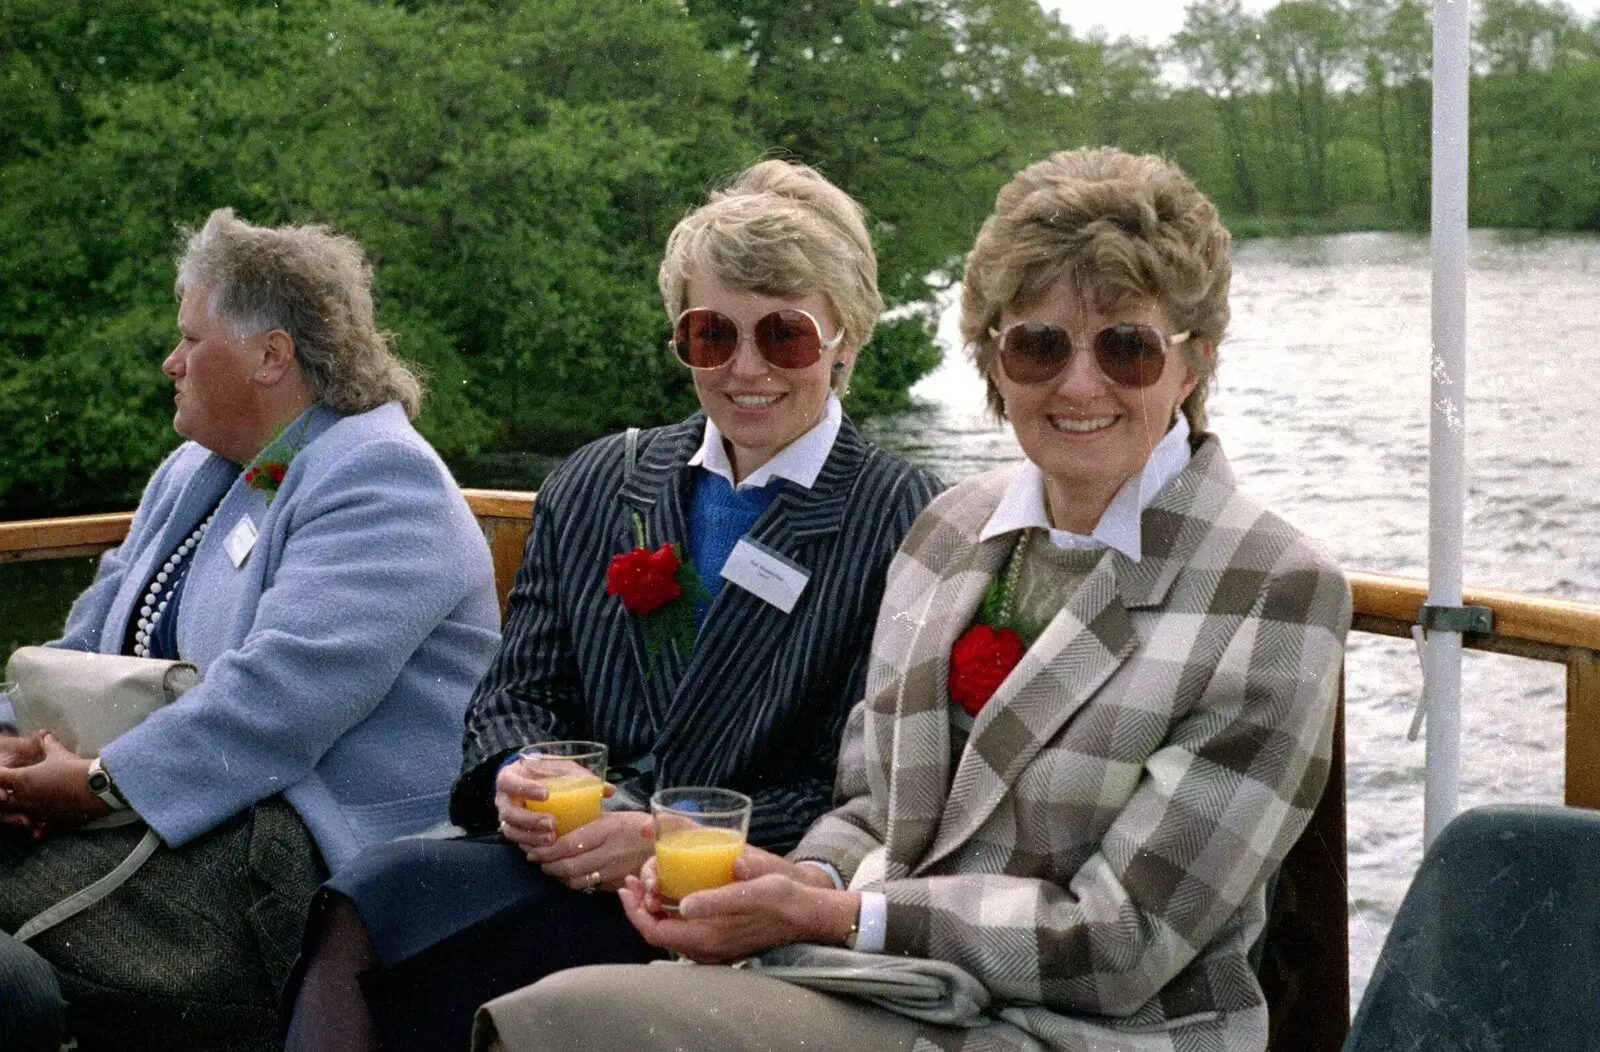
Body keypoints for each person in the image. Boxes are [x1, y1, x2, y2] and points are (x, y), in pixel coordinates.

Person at [474, 146, 1353, 1052]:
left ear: (1193, 362)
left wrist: (836, 916)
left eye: (1126, 347)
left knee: (567, 1024)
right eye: (1039, 344)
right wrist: (786, 880)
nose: (1079, 384)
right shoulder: (951, 531)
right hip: (879, 989)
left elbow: (1121, 943)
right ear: (994, 362)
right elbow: (867, 810)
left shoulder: (1273, 590)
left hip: (1075, 1032)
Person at [284, 159, 944, 1051]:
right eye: (712, 335)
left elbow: (869, 782)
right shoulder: (600, 482)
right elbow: (514, 695)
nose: (745, 368)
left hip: (734, 891)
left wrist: (660, 833)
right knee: (368, 899)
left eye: (784, 336)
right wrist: (519, 777)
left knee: (464, 964)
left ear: (846, 339)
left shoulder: (905, 518)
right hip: (558, 858)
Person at [0, 208, 501, 1052]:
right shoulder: (194, 470)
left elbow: (276, 704)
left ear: (271, 355)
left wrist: (93, 784)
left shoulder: (381, 478)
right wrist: (10, 747)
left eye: (191, 339)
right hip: (153, 811)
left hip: (289, 852)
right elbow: (77, 646)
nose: (172, 361)